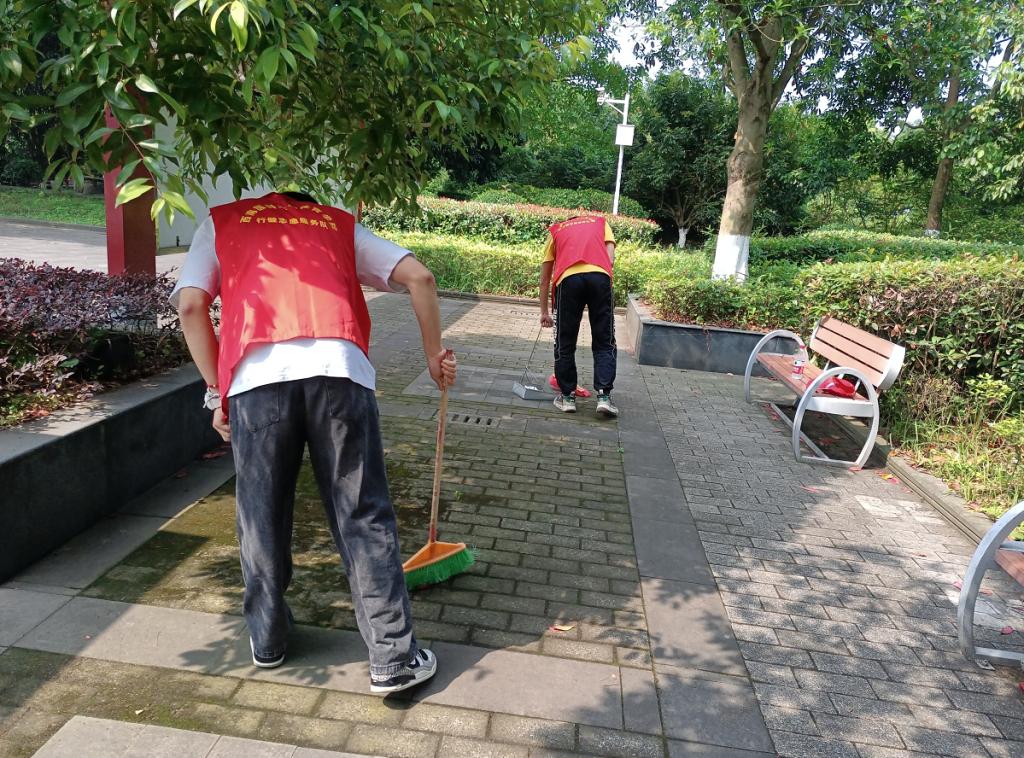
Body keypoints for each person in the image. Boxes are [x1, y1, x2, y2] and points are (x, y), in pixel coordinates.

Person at [172, 190, 456, 695]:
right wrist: (434, 356)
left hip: (256, 379)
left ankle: (268, 639)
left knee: (260, 512)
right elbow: (421, 277)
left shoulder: (221, 223)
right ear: (309, 206)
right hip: (339, 372)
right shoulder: (337, 225)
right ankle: (392, 659)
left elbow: (191, 305)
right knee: (362, 513)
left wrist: (217, 392)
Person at [539, 214, 618, 417]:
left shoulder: (556, 230)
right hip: (600, 276)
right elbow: (610, 258)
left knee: (564, 342)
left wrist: (544, 312)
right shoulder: (601, 223)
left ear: (568, 221)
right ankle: (604, 397)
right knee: (604, 341)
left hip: (568, 280)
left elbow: (545, 278)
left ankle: (567, 398)